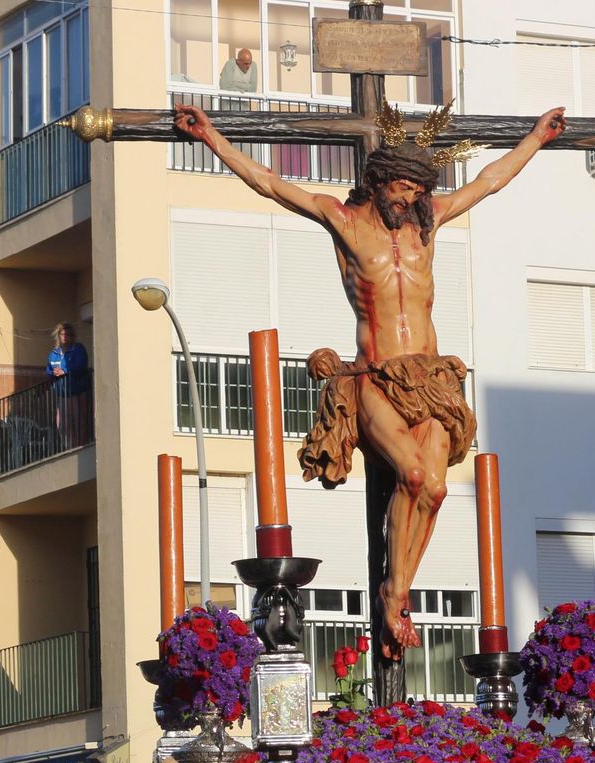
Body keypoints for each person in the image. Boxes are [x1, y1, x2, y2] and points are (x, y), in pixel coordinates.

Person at [174, 100, 567, 657]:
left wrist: (534, 139)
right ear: (378, 183)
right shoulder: (345, 222)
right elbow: (270, 184)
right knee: (409, 471)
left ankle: (396, 589)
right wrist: (213, 139)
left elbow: (488, 181)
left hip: (429, 379)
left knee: (432, 487)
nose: (410, 199)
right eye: (401, 189)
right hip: (376, 377)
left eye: (416, 190)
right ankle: (393, 594)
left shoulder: (430, 223)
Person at [47, 322, 91, 447]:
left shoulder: (78, 349)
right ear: (58, 336)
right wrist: (52, 372)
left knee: (78, 422)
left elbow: (81, 365)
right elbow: (48, 370)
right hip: (62, 394)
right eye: (63, 334)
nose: (66, 337)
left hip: (77, 392)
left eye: (68, 334)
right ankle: (69, 447)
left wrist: (65, 371)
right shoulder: (54, 354)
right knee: (62, 424)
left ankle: (80, 446)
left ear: (73, 336)